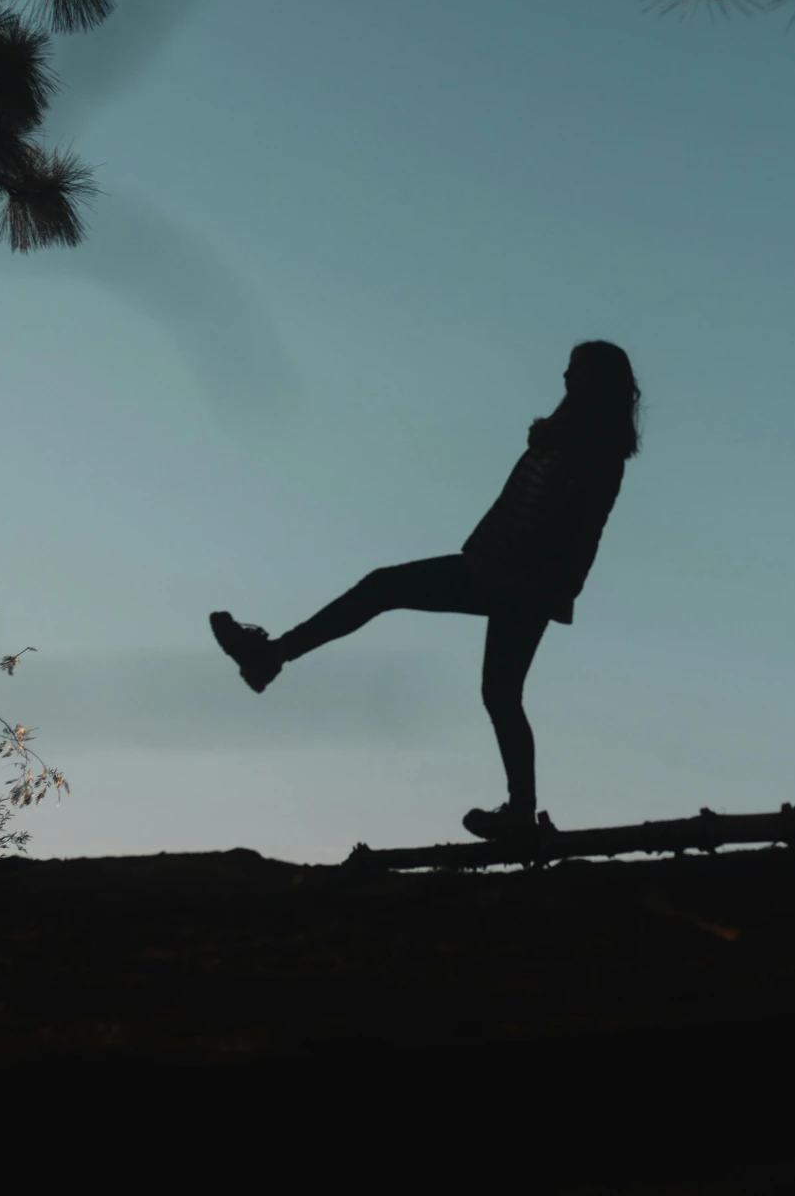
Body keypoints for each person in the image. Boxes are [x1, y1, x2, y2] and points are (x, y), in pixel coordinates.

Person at [210, 340, 642, 843]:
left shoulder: (593, 448)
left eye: (577, 370)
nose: (566, 376)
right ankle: (522, 811)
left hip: (514, 576)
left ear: (598, 382)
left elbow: (567, 520)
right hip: (517, 577)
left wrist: (520, 565)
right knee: (500, 693)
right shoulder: (573, 440)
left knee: (384, 587)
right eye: (568, 368)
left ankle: (271, 656)